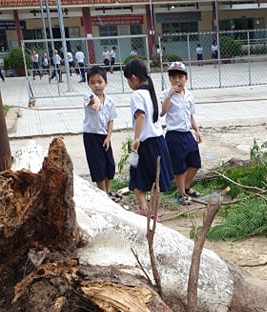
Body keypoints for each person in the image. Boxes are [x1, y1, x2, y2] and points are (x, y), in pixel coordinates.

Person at [122, 59, 174, 216]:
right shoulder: (152, 93)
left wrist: (136, 138)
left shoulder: (137, 95)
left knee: (136, 176)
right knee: (156, 179)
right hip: (159, 141)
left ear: (133, 78)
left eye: (128, 80)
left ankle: (145, 208)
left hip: (145, 143)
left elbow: (141, 116)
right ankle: (153, 210)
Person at [161, 61, 202, 206]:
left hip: (187, 133)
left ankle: (186, 187)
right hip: (174, 135)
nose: (177, 80)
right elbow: (162, 112)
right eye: (173, 77)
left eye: (180, 77)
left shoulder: (189, 95)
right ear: (169, 79)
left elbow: (191, 115)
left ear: (186, 78)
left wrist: (196, 130)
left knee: (195, 163)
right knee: (179, 168)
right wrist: (169, 96)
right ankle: (181, 194)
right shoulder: (166, 94)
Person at [81, 66, 119, 197]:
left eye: (99, 82)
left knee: (109, 165)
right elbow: (93, 100)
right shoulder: (88, 97)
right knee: (98, 166)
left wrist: (108, 137)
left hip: (104, 136)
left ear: (106, 82)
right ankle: (102, 194)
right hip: (91, 136)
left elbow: (111, 120)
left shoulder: (109, 101)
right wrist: (96, 102)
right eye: (93, 82)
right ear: (88, 84)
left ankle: (107, 192)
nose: (96, 85)